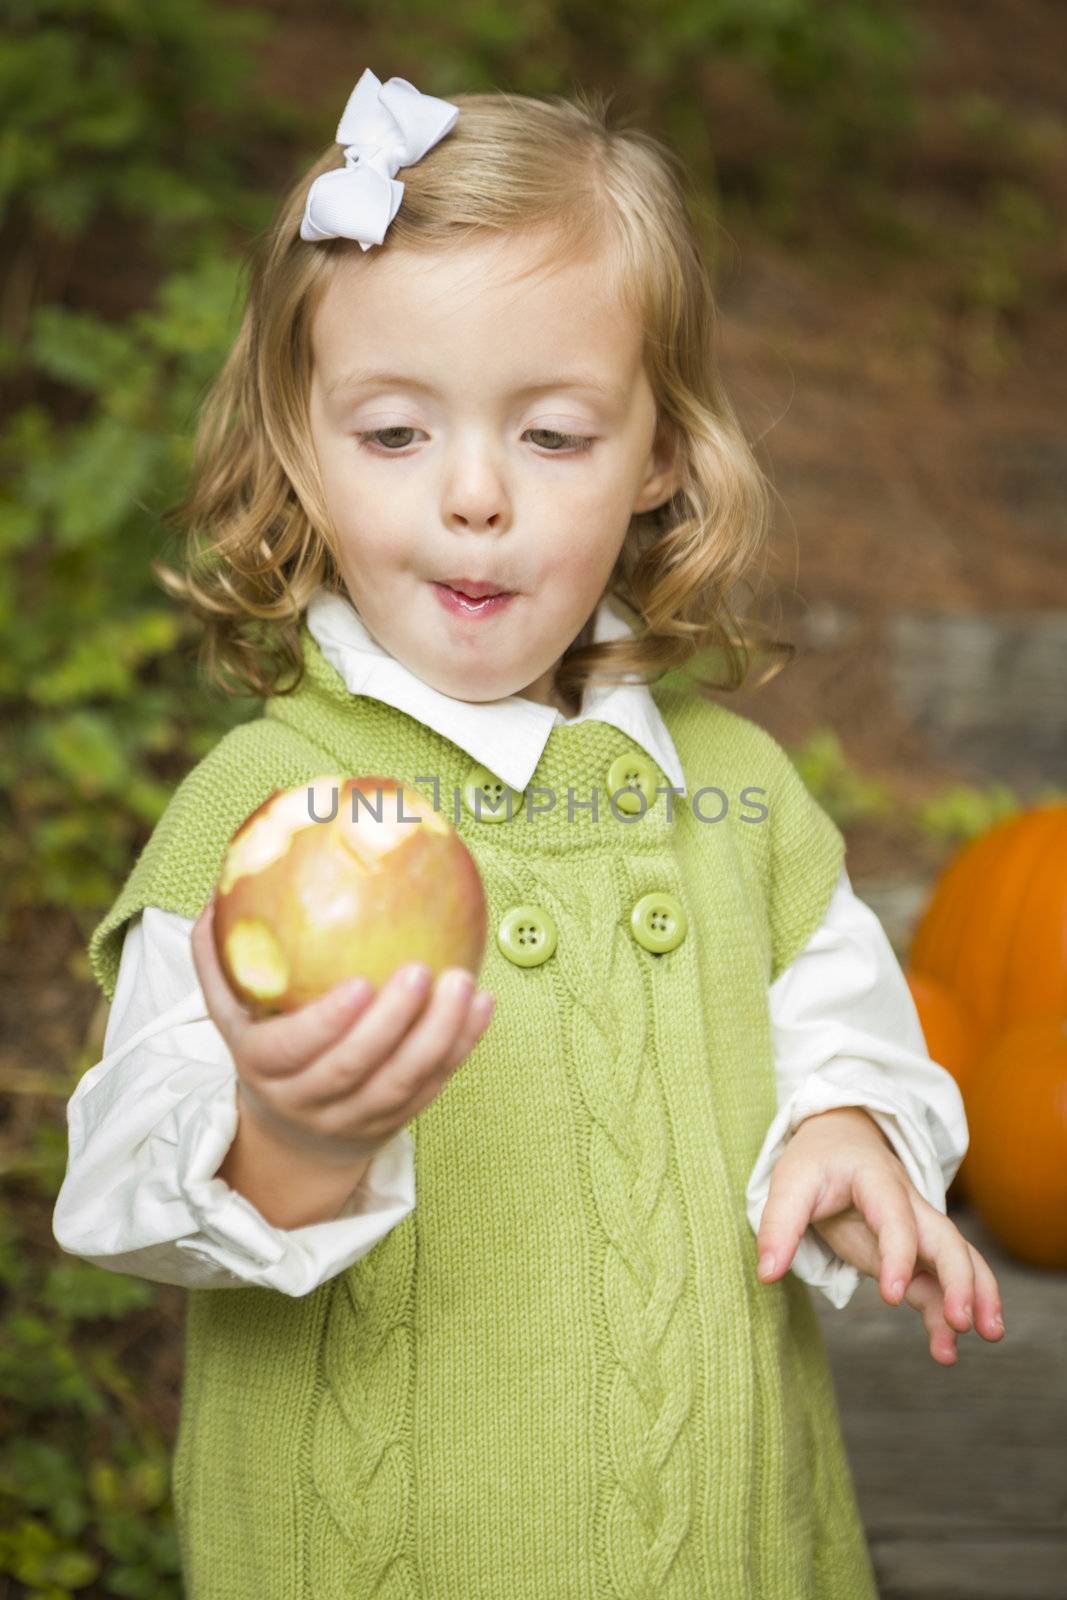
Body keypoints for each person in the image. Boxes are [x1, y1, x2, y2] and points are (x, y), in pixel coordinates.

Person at [53, 68, 1002, 1598]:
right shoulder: (262, 810)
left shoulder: (738, 796)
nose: (476, 496)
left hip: (732, 1549)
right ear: (298, 444)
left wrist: (849, 1126)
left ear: (663, 455)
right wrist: (294, 1133)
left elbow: (852, 1027)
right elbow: (119, 1181)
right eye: (395, 435)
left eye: (554, 436)